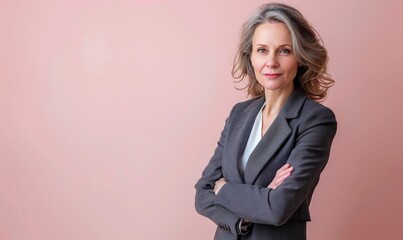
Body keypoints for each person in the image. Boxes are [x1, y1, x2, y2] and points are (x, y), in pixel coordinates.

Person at [194, 3, 337, 240]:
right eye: (262, 50)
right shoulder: (239, 114)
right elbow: (202, 193)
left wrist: (225, 189)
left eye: (284, 51)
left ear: (300, 57)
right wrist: (244, 217)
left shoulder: (316, 120)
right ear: (250, 56)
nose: (271, 62)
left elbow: (277, 208)